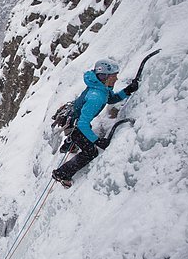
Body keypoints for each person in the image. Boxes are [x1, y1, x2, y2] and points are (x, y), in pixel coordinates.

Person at [52, 59, 138, 188]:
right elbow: (82, 124)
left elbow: (110, 99)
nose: (116, 79)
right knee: (90, 152)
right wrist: (97, 141)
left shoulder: (101, 88)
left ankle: (70, 143)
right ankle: (61, 174)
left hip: (75, 120)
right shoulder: (96, 96)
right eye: (114, 76)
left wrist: (127, 91)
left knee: (84, 133)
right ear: (105, 76)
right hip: (75, 125)